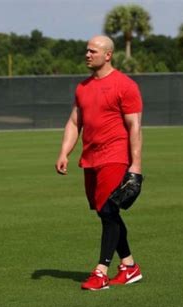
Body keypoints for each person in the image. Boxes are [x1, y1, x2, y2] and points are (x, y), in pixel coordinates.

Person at [55, 35, 143, 290]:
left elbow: (134, 126)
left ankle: (101, 271)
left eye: (93, 51)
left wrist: (135, 165)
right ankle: (128, 266)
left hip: (115, 155)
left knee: (107, 210)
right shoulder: (82, 87)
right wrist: (64, 152)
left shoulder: (125, 85)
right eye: (86, 50)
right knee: (105, 212)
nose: (87, 54)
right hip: (90, 158)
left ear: (108, 55)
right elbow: (74, 122)